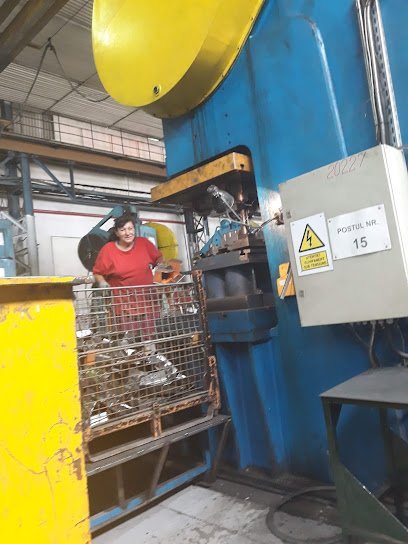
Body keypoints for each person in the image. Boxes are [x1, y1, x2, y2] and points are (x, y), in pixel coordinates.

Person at [93, 214, 163, 335]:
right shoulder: (108, 250)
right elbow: (98, 272)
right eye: (123, 230)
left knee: (150, 337)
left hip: (147, 302)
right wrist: (102, 282)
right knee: (129, 340)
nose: (127, 233)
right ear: (116, 232)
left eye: (130, 228)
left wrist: (161, 269)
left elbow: (159, 259)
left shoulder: (143, 243)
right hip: (124, 306)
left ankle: (150, 347)